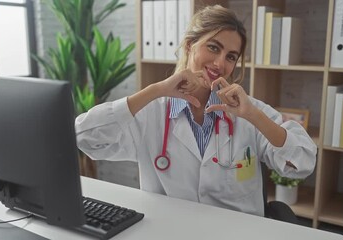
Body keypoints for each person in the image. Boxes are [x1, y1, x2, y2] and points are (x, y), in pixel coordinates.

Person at [75, 5, 317, 217]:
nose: (221, 63)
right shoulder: (152, 111)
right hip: (172, 231)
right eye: (213, 47)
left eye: (231, 57)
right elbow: (85, 138)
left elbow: (302, 162)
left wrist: (253, 115)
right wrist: (154, 90)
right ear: (190, 45)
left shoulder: (247, 111)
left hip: (237, 233)